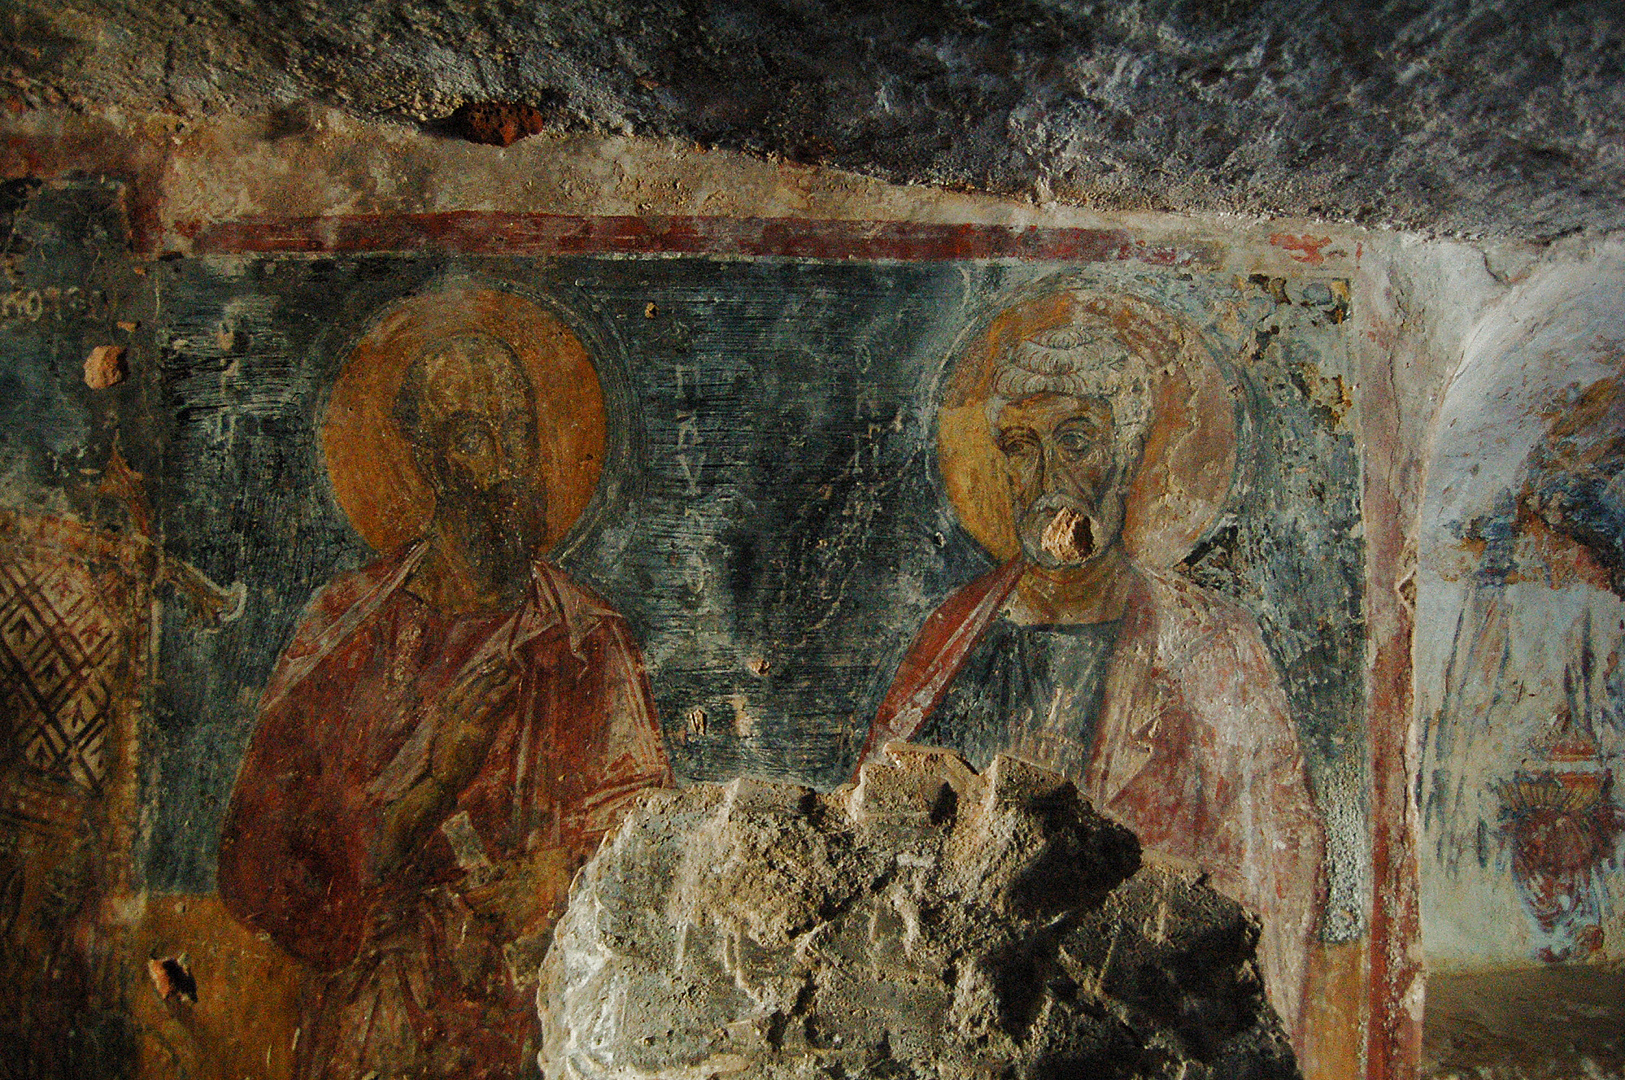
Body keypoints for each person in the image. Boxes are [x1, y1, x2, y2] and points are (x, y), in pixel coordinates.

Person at [857, 311, 1324, 1040]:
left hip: (1146, 1007)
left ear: (1131, 452)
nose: (1048, 477)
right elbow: (882, 813)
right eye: (1020, 446)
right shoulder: (953, 634)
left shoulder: (1209, 641)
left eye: (1075, 440)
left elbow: (1276, 853)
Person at [218, 333, 671, 1080]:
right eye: (471, 437)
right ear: (427, 461)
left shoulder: (589, 640)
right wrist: (428, 785)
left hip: (550, 1026)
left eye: (517, 431)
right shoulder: (349, 629)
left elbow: (649, 838)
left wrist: (556, 879)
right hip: (378, 1026)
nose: (506, 466)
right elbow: (259, 863)